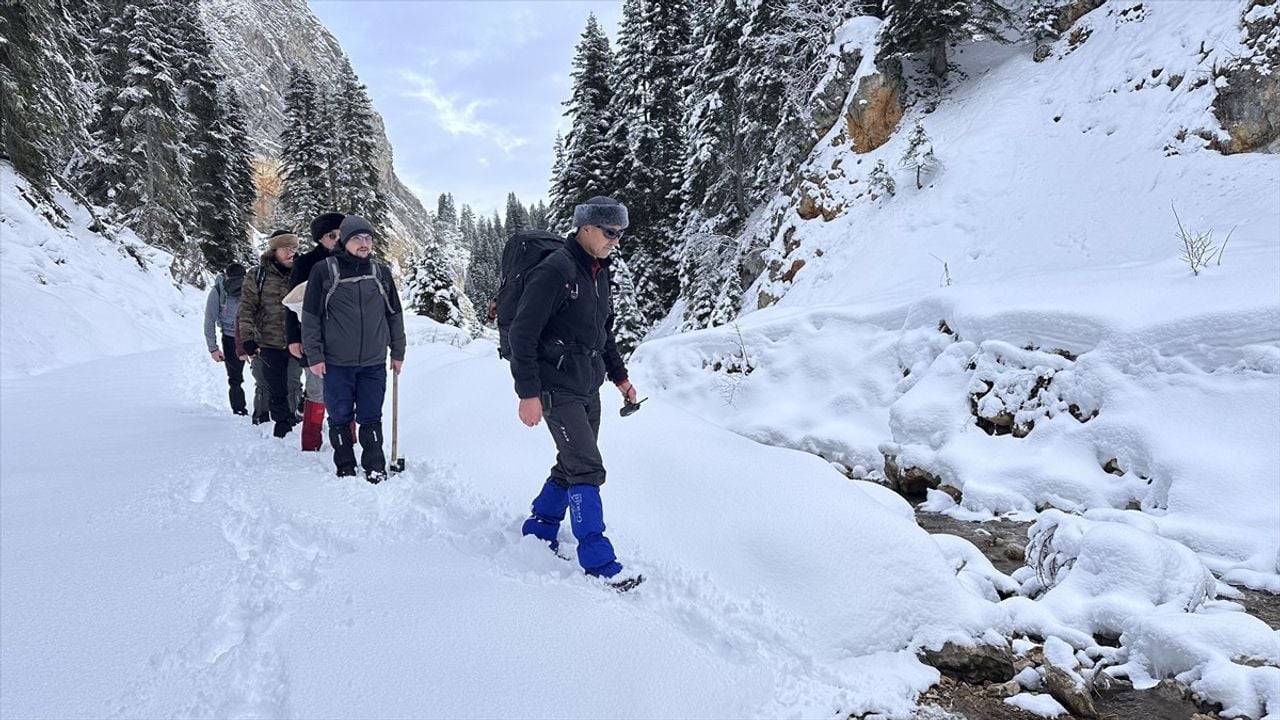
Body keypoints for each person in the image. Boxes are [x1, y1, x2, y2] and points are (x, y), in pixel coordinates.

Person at [508, 196, 641, 588]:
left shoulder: (598, 271)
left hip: (588, 384)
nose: (616, 240)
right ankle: (599, 563)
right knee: (586, 468)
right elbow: (523, 333)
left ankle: (541, 526)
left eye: (621, 233)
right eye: (610, 232)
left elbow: (604, 333)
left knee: (571, 463)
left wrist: (621, 378)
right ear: (586, 228)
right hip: (555, 387)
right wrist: (528, 392)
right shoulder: (555, 271)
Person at [301, 215, 406, 482]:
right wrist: (314, 355)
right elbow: (311, 316)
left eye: (368, 238)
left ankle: (374, 465)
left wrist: (398, 351)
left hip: (373, 361)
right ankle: (345, 464)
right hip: (336, 362)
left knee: (371, 415)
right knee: (339, 416)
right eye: (358, 238)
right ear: (345, 241)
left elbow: (394, 313)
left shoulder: (380, 272)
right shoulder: (324, 271)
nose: (364, 243)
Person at [287, 212, 344, 452]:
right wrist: (293, 338)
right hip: (313, 336)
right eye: (332, 236)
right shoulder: (306, 263)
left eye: (342, 235)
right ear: (320, 238)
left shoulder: (350, 260)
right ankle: (311, 442)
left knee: (343, 391)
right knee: (316, 390)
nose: (338, 240)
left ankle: (347, 439)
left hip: (344, 337)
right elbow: (290, 302)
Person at [238, 232, 302, 439]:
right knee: (272, 386)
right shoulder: (257, 275)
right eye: (286, 249)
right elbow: (247, 308)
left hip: (296, 341)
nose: (291, 253)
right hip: (267, 342)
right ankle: (279, 423)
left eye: (294, 248)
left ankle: (292, 423)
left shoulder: (302, 273)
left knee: (293, 383)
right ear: (274, 251)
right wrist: (247, 338)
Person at [203, 262, 249, 416]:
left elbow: (209, 320)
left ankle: (239, 410)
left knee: (235, 378)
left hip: (232, 337)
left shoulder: (217, 291)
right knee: (263, 377)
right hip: (252, 336)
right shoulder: (249, 287)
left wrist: (213, 348)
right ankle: (263, 411)